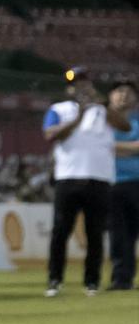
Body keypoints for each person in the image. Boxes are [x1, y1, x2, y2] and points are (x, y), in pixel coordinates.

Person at [43, 75, 125, 296]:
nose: (81, 88)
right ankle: (54, 279)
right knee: (61, 231)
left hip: (98, 178)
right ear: (69, 89)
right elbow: (50, 135)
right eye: (75, 85)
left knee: (95, 233)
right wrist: (78, 117)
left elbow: (124, 126)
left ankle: (92, 282)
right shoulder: (58, 109)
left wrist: (101, 105)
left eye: (85, 83)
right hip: (68, 177)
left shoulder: (102, 110)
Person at [108, 81, 139, 291]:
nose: (124, 96)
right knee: (118, 234)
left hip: (136, 182)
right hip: (111, 184)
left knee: (133, 232)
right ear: (110, 97)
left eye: (128, 92)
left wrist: (112, 148)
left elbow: (106, 147)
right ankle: (121, 278)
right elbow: (100, 147)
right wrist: (133, 148)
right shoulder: (102, 124)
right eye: (119, 91)